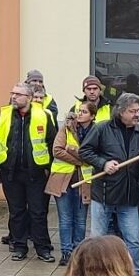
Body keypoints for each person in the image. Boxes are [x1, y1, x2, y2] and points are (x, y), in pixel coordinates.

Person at [78, 93, 139, 276]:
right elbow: (85, 151)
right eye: (132, 111)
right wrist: (103, 163)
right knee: (97, 240)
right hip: (103, 194)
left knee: (133, 240)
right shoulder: (102, 128)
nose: (137, 115)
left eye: (138, 111)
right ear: (120, 111)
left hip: (129, 197)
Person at [0, 81, 56, 263]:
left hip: (35, 172)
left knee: (37, 212)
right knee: (17, 211)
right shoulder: (4, 113)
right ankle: (19, 247)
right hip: (11, 172)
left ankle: (42, 248)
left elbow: (52, 142)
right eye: (12, 93)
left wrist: (47, 168)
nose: (13, 96)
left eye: (18, 94)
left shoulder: (44, 115)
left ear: (28, 98)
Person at [48, 100, 97, 265]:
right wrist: (79, 161)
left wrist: (73, 150)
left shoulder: (96, 131)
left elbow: (93, 154)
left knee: (81, 219)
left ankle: (78, 252)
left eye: (84, 111)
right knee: (65, 218)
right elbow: (57, 150)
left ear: (92, 115)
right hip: (63, 180)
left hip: (85, 182)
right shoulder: (67, 127)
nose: (79, 114)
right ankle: (66, 252)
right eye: (78, 110)